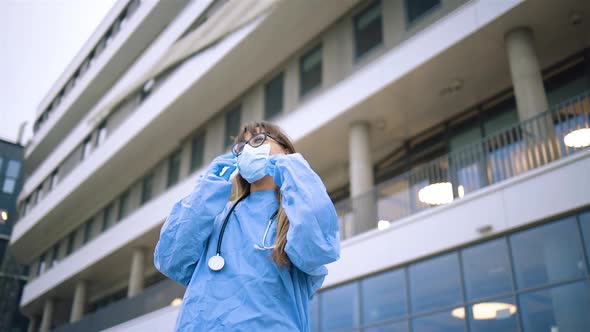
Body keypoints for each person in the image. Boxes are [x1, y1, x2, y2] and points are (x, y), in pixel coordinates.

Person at [153, 121, 341, 331]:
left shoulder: (293, 216)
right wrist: (207, 187)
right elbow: (170, 259)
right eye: (241, 147)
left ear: (286, 151)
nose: (249, 150)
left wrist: (292, 169)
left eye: (259, 140)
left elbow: (317, 249)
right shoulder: (215, 217)